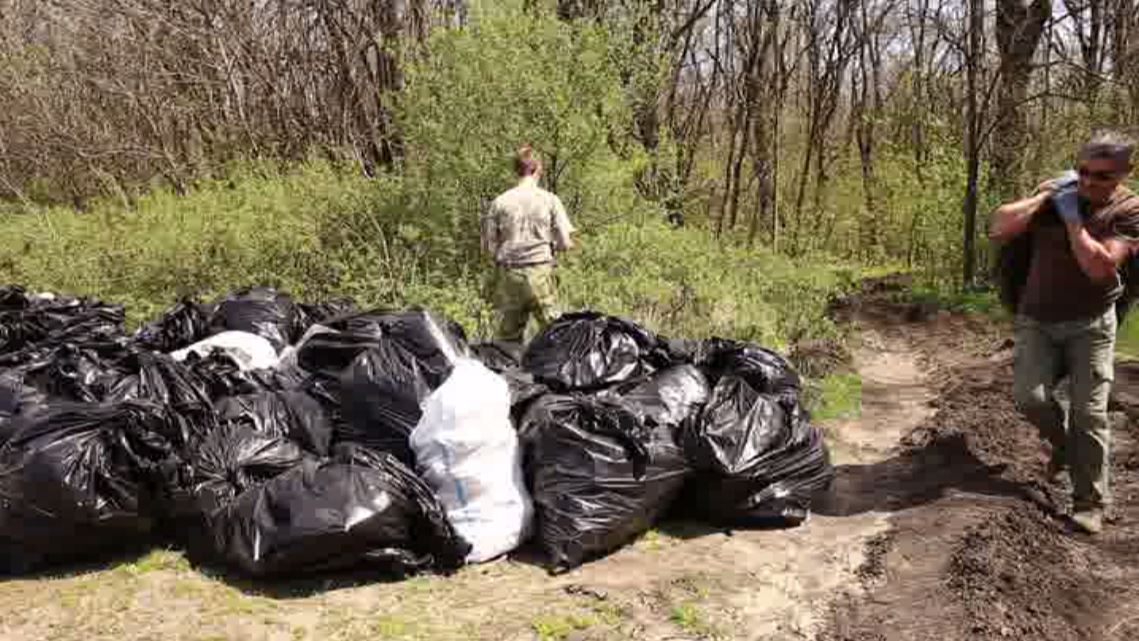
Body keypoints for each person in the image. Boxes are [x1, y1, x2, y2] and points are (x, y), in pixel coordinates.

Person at [990, 130, 1139, 534]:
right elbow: (999, 227)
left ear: (1126, 173)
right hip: (1036, 318)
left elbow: (1100, 268)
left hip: (1090, 324)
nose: (1089, 182)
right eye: (1084, 171)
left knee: (1089, 414)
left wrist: (1073, 220)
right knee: (1030, 399)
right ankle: (1062, 446)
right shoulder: (1055, 194)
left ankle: (1089, 502)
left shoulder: (1129, 211)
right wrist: (1047, 196)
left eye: (1102, 176)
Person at [481, 145, 576, 343]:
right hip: (540, 274)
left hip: (510, 277)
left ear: (517, 170)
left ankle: (507, 371)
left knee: (507, 340)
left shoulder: (499, 202)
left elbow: (489, 248)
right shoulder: (550, 200)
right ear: (537, 169)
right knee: (555, 335)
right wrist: (556, 244)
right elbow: (566, 243)